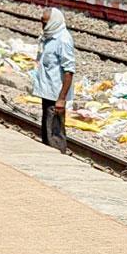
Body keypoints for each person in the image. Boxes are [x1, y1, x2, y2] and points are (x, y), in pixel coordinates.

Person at [32, 8, 76, 153]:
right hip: (48, 91)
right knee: (47, 128)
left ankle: (57, 154)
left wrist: (61, 99)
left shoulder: (63, 40)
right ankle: (48, 152)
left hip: (56, 94)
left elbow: (69, 71)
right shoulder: (49, 37)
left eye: (45, 23)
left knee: (55, 132)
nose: (43, 27)